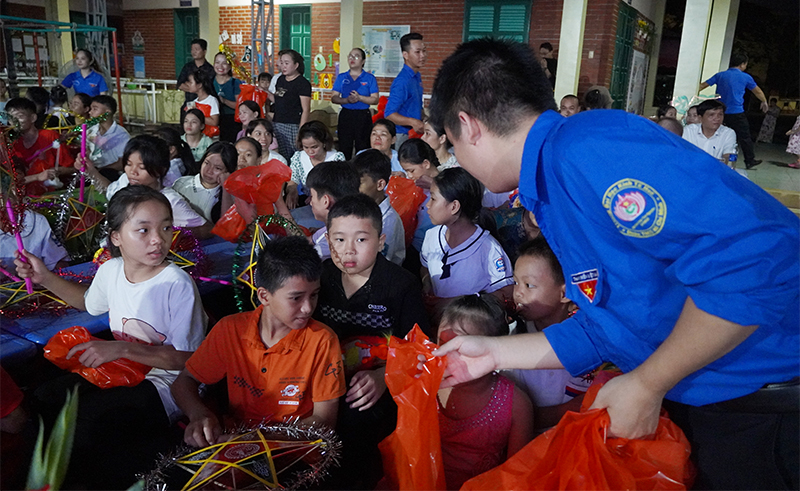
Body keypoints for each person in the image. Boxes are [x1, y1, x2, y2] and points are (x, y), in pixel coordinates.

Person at [429, 38, 798, 491]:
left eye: (450, 143)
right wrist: (494, 353)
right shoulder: (550, 188)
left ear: (467, 125)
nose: (456, 159)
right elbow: (609, 323)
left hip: (761, 406)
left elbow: (752, 261)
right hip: (708, 397)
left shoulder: (588, 147)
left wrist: (647, 382)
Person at [16, 185, 206, 489]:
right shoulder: (112, 270)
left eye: (166, 227)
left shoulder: (176, 283)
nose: (158, 239)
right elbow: (88, 302)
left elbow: (190, 359)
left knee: (89, 423)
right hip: (120, 372)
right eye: (143, 230)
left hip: (167, 385)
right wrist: (44, 278)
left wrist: (123, 350)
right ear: (116, 236)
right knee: (43, 400)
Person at [171, 235, 346, 447]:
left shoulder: (322, 341)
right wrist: (199, 414)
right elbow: (184, 382)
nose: (308, 307)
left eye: (314, 295)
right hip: (234, 441)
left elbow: (324, 422)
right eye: (296, 298)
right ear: (264, 296)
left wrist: (258, 440)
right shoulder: (231, 330)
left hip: (291, 451)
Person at [314, 194, 429, 489]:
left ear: (381, 241)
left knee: (355, 425)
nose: (348, 250)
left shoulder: (400, 285)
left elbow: (419, 349)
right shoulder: (321, 279)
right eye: (339, 240)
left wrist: (383, 377)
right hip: (323, 381)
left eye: (361, 240)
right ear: (327, 240)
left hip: (378, 385)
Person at [438, 295, 534, 490]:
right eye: (442, 343)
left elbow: (516, 475)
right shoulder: (425, 387)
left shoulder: (516, 405)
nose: (447, 356)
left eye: (460, 348)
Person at [506, 237, 590, 433]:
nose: (518, 293)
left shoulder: (589, 339)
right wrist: (566, 410)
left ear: (565, 293)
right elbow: (506, 415)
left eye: (529, 285)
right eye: (515, 282)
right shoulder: (511, 339)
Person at [84, 135, 213, 238]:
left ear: (160, 170)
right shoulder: (125, 181)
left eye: (142, 167)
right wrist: (91, 170)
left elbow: (206, 229)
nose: (132, 171)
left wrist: (167, 232)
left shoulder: (169, 200)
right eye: (128, 164)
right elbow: (108, 191)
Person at [420, 167, 514, 303]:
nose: (428, 205)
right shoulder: (431, 236)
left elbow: (505, 292)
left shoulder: (487, 247)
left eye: (433, 199)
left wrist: (454, 304)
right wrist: (427, 282)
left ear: (454, 206)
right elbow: (425, 267)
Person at [699, 52, 769, 169]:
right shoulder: (746, 77)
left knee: (717, 134)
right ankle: (749, 160)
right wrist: (764, 101)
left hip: (720, 112)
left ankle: (714, 156)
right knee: (744, 136)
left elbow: (702, 85)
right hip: (737, 112)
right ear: (742, 64)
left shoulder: (720, 75)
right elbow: (757, 91)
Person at [6, 97, 74, 196]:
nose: (14, 121)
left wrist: (56, 171)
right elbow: (12, 180)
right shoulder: (12, 143)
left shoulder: (49, 136)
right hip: (25, 195)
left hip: (52, 194)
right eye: (10, 117)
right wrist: (38, 176)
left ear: (33, 118)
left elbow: (72, 168)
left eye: (19, 116)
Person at [353, 149, 406, 265]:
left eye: (359, 183)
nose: (354, 188)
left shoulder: (388, 221)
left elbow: (380, 262)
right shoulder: (361, 208)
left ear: (380, 184)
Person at [305, 161, 360, 261]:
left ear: (326, 201)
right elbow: (309, 240)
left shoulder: (331, 246)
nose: (311, 203)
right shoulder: (331, 226)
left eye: (312, 197)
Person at [332, 48, 379, 160]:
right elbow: (334, 98)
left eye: (356, 56)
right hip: (346, 115)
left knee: (362, 147)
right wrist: (346, 100)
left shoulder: (369, 78)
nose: (352, 59)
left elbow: (375, 99)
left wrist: (359, 98)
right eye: (350, 56)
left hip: (363, 115)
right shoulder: (342, 77)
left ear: (363, 61)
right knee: (344, 146)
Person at [398, 138, 439, 269]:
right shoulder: (414, 185)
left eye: (412, 170)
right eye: (406, 171)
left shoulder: (449, 181)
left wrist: (435, 185)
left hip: (438, 249)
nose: (409, 176)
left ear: (426, 163)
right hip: (415, 247)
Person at [173, 141, 237, 223]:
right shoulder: (182, 184)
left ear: (228, 171)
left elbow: (227, 225)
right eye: (207, 163)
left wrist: (226, 188)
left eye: (217, 168)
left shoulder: (232, 196)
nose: (209, 171)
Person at [287, 121, 346, 209]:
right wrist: (292, 191)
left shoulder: (336, 158)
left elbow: (340, 186)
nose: (310, 152)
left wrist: (317, 196)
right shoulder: (299, 157)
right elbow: (293, 179)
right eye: (306, 147)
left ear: (324, 143)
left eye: (314, 147)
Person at [385, 33, 426, 147]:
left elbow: (414, 104)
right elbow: (389, 114)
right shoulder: (402, 81)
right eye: (417, 52)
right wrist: (413, 122)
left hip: (414, 135)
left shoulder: (416, 77)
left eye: (424, 51)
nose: (422, 55)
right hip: (401, 136)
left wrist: (424, 118)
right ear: (405, 55)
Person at [270, 49, 312, 160]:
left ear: (296, 65)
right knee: (281, 156)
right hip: (277, 123)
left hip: (293, 125)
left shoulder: (302, 83)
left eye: (287, 63)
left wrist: (301, 131)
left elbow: (306, 109)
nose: (283, 66)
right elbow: (278, 99)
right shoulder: (280, 79)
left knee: (295, 156)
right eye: (282, 63)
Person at [85, 95, 130, 181]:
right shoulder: (91, 130)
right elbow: (87, 152)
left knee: (107, 173)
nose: (90, 112)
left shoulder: (121, 134)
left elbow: (122, 163)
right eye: (91, 109)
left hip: (111, 174)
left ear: (107, 112)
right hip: (93, 171)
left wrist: (98, 171)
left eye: (95, 109)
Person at [682, 99, 737, 165]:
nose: (717, 118)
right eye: (711, 115)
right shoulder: (688, 131)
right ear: (700, 118)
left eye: (720, 114)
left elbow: (728, 158)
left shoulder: (728, 133)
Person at [177, 39, 215, 124]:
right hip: (189, 103)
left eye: (197, 49)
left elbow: (210, 87)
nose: (193, 52)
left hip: (205, 105)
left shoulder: (210, 69)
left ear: (204, 51)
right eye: (192, 49)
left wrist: (191, 86)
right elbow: (180, 84)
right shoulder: (187, 67)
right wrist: (193, 89)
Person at [212, 51, 242, 142]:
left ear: (230, 66)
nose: (220, 66)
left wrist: (224, 101)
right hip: (213, 119)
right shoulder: (209, 81)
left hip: (231, 120)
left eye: (224, 63)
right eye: (217, 62)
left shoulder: (235, 83)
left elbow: (239, 106)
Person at [184, 68, 220, 138]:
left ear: (199, 85)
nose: (188, 85)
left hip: (211, 137)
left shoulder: (212, 100)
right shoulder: (194, 101)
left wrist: (197, 114)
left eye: (191, 82)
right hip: (197, 136)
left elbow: (214, 122)